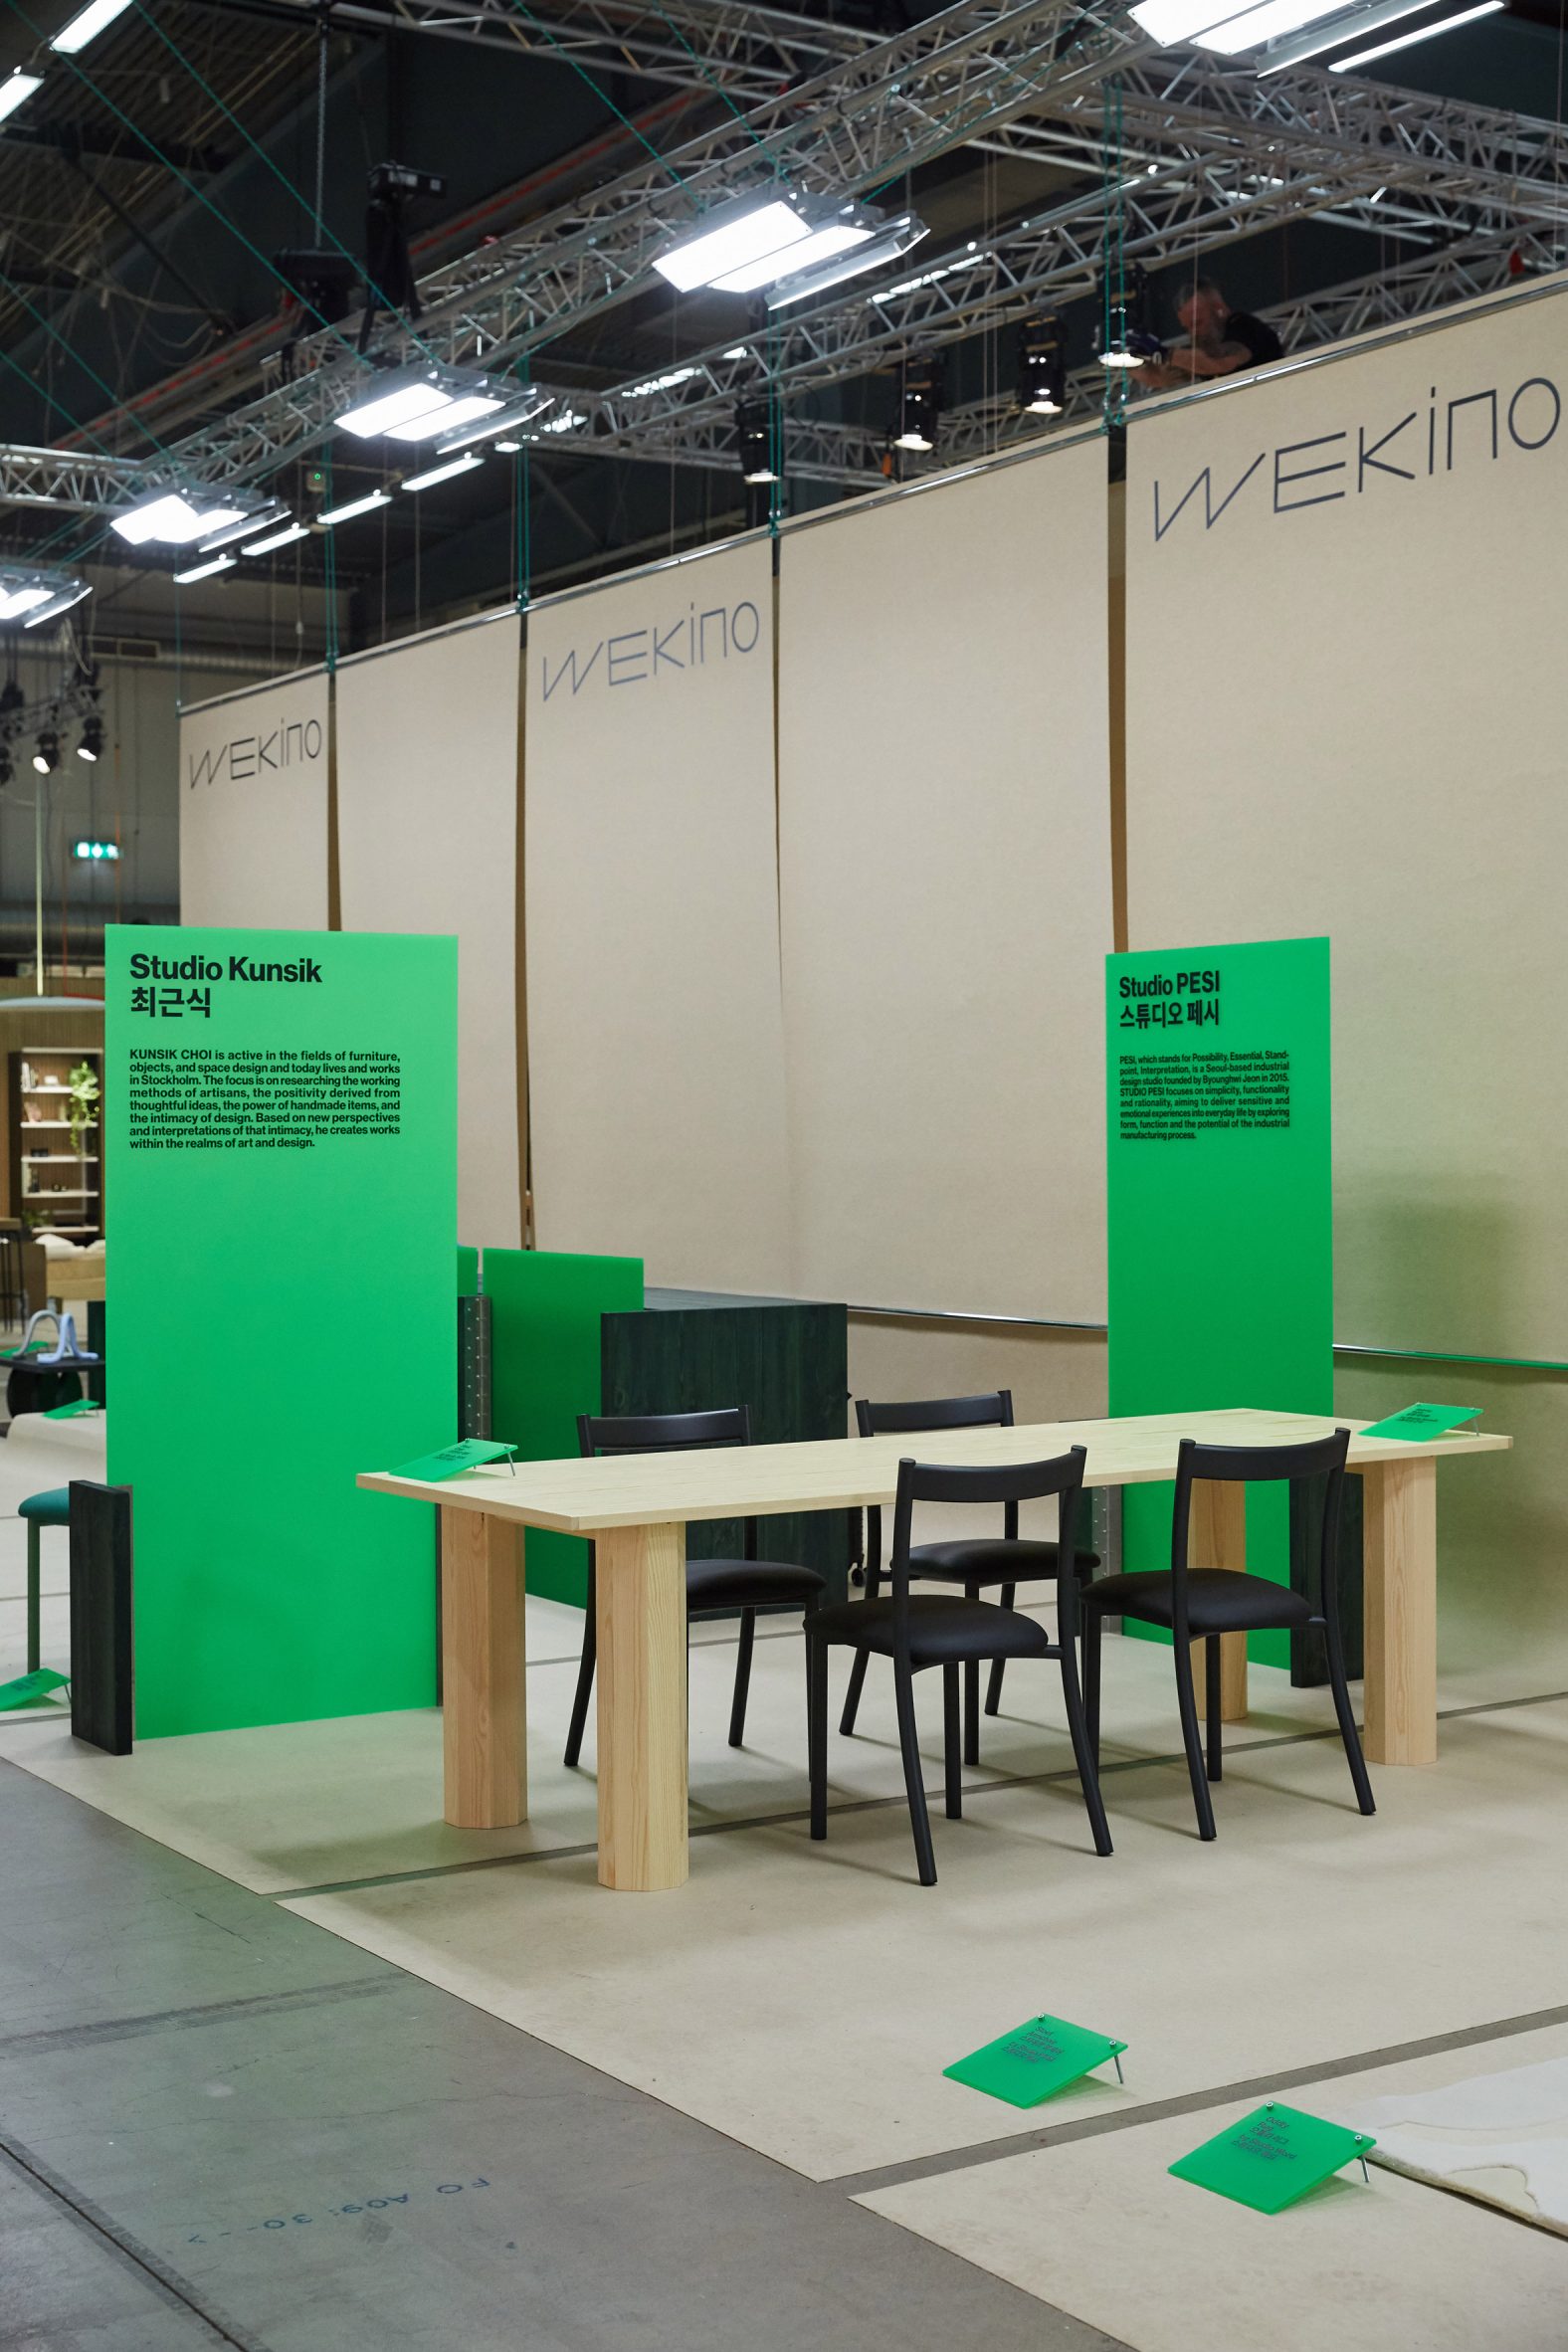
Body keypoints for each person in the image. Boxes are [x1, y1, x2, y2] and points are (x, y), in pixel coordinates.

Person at [1141, 278, 1283, 389]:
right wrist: (1129, 355)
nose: (1193, 333)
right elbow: (1160, 377)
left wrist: (1161, 353)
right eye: (1187, 328)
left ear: (1219, 311)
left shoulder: (1243, 325)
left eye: (1197, 323)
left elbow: (1219, 361)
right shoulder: (1201, 352)